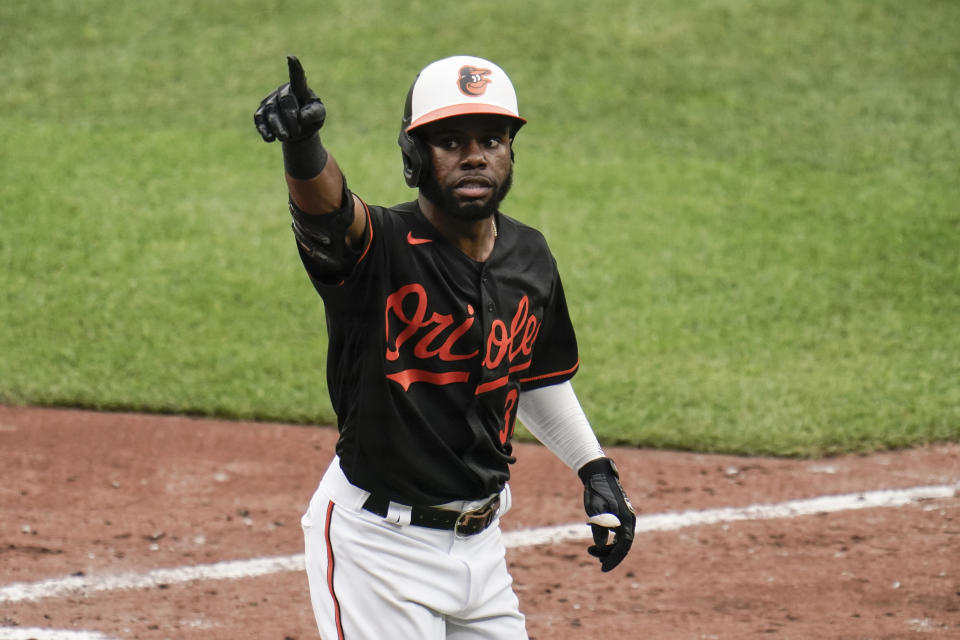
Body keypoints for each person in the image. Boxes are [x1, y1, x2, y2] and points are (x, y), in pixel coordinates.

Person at [254, 54, 636, 639]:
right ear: (413, 158)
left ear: (512, 152)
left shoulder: (529, 256)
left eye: (492, 139)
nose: (476, 154)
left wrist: (594, 468)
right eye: (450, 141)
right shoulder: (379, 248)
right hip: (377, 552)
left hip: (481, 552)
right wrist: (303, 149)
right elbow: (329, 216)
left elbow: (532, 372)